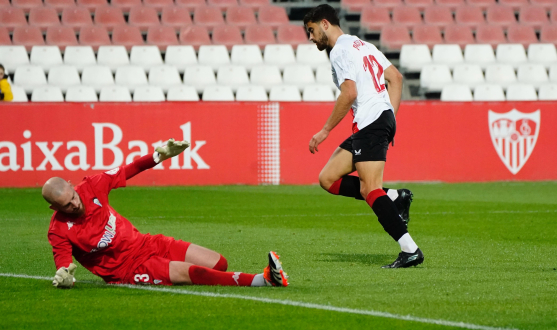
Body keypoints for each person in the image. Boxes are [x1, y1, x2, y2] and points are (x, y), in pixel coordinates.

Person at [44, 139, 289, 288]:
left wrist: (158, 156)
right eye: (66, 205)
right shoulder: (58, 231)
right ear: (54, 208)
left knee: (218, 263)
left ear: (72, 185)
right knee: (186, 273)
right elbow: (64, 265)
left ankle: (248, 278)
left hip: (147, 243)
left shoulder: (91, 186)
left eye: (73, 197)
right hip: (127, 269)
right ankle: (263, 279)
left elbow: (130, 169)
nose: (74, 205)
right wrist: (65, 277)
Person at [304, 5, 424, 268]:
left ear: (325, 24)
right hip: (375, 120)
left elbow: (349, 94)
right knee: (327, 178)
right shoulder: (363, 45)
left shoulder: (340, 51)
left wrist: (324, 130)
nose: (310, 38)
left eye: (311, 31)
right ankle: (395, 197)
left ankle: (410, 250)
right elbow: (396, 78)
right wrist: (389, 117)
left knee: (370, 189)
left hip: (370, 123)